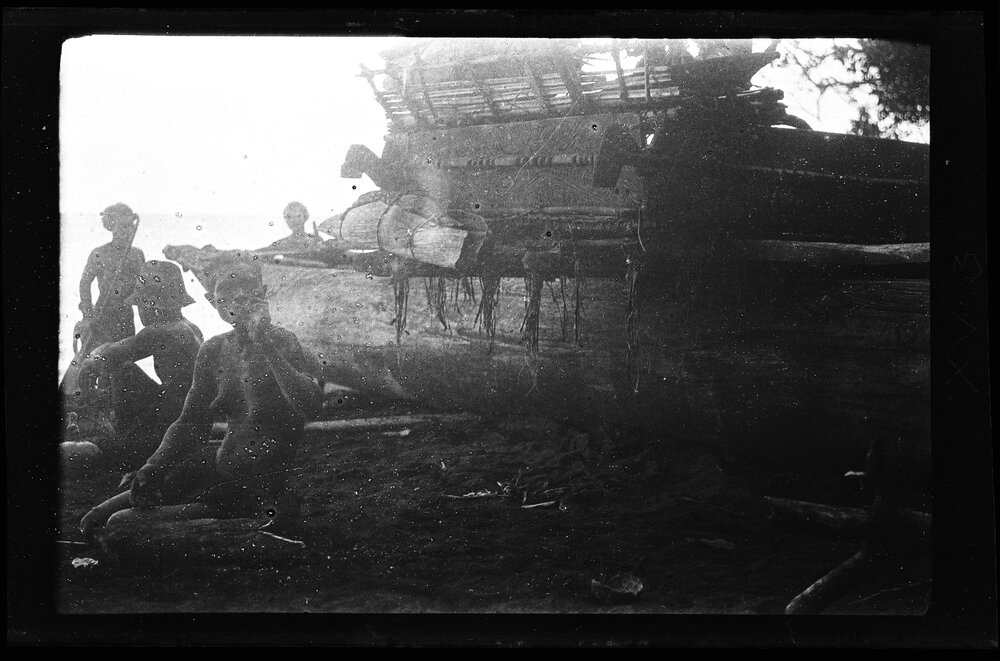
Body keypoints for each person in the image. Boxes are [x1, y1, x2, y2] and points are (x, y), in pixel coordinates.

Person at [80, 254, 322, 539]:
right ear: (212, 301)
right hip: (215, 468)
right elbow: (189, 423)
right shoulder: (214, 350)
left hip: (256, 487)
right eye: (226, 295)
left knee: (121, 525)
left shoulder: (283, 342)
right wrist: (152, 467)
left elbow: (310, 405)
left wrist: (265, 343)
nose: (238, 301)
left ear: (263, 293)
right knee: (94, 519)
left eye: (247, 291)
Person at [78, 260, 204, 467]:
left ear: (151, 307)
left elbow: (113, 353)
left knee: (123, 370)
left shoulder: (160, 331)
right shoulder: (190, 327)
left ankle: (127, 441)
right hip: (193, 418)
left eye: (140, 306)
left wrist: (91, 361)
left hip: (175, 419)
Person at [77, 203, 146, 349]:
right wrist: (88, 315)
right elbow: (84, 283)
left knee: (124, 357)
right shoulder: (99, 253)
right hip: (101, 316)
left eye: (129, 226)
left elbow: (143, 288)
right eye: (122, 226)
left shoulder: (137, 254)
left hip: (126, 318)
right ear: (112, 227)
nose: (127, 231)